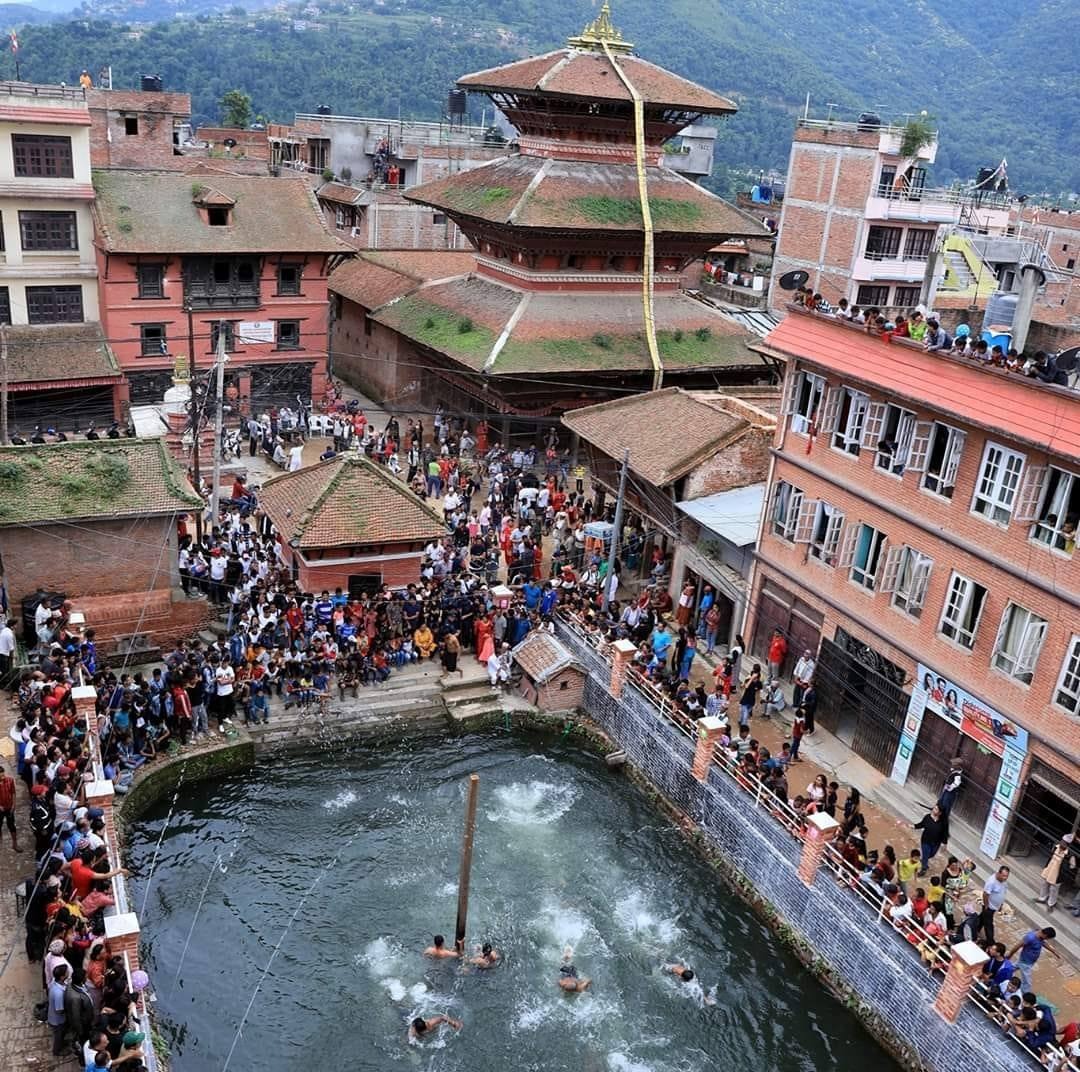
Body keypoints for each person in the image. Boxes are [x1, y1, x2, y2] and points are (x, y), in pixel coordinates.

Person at [1006, 926, 1059, 993]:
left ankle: (1004, 971)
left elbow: (1043, 943)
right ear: (1045, 935)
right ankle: (1025, 994)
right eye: (1047, 938)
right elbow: (1018, 946)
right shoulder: (1030, 938)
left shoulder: (1040, 936)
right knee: (1027, 982)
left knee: (1014, 967)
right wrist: (1010, 954)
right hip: (1025, 962)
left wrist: (1053, 951)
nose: (1047, 939)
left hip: (1028, 961)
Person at [1037, 834, 1075, 911]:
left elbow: (1072, 866)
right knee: (1044, 883)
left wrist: (1065, 869)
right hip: (1050, 868)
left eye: (1064, 843)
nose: (1061, 843)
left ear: (1067, 845)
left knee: (1053, 889)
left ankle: (1051, 903)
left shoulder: (1069, 855)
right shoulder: (1056, 847)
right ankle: (1042, 898)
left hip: (1058, 874)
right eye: (1062, 841)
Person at [913, 805, 949, 876]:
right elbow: (921, 824)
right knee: (926, 854)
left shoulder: (944, 822)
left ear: (940, 813)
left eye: (936, 809)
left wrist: (945, 843)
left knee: (931, 854)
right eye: (934, 808)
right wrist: (914, 826)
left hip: (936, 842)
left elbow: (945, 833)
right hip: (926, 840)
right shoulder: (927, 817)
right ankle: (924, 868)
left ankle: (924, 860)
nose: (933, 810)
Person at [978, 865, 1010, 944]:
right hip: (989, 906)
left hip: (995, 906)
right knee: (989, 924)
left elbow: (1003, 892)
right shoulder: (991, 882)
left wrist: (1001, 904)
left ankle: (975, 927)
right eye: (1003, 876)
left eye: (1006, 876)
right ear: (999, 873)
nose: (1005, 878)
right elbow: (985, 894)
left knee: (982, 918)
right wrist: (986, 905)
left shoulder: (1004, 882)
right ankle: (990, 941)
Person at [48, 961, 69, 1056]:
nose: (68, 973)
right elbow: (59, 1010)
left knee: (61, 1034)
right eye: (66, 972)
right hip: (57, 1020)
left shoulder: (54, 982)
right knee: (58, 1035)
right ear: (62, 977)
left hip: (54, 1016)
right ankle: (57, 1051)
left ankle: (62, 1043)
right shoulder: (58, 993)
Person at [0, 763, 20, 853]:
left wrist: (13, 805)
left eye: (3, 774)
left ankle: (15, 844)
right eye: (1, 775)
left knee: (12, 826)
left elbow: (13, 793)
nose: (3, 776)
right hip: (0, 809)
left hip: (9, 808)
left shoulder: (10, 780)